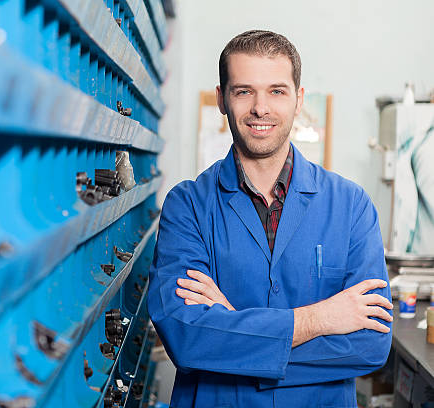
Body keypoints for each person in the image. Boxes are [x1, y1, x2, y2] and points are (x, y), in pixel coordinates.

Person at [148, 30, 393, 407]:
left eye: (277, 91)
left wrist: (233, 330)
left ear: (298, 100)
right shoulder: (188, 206)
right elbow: (185, 337)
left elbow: (369, 345)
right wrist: (319, 319)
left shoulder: (351, 205)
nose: (261, 108)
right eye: (244, 91)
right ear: (221, 99)